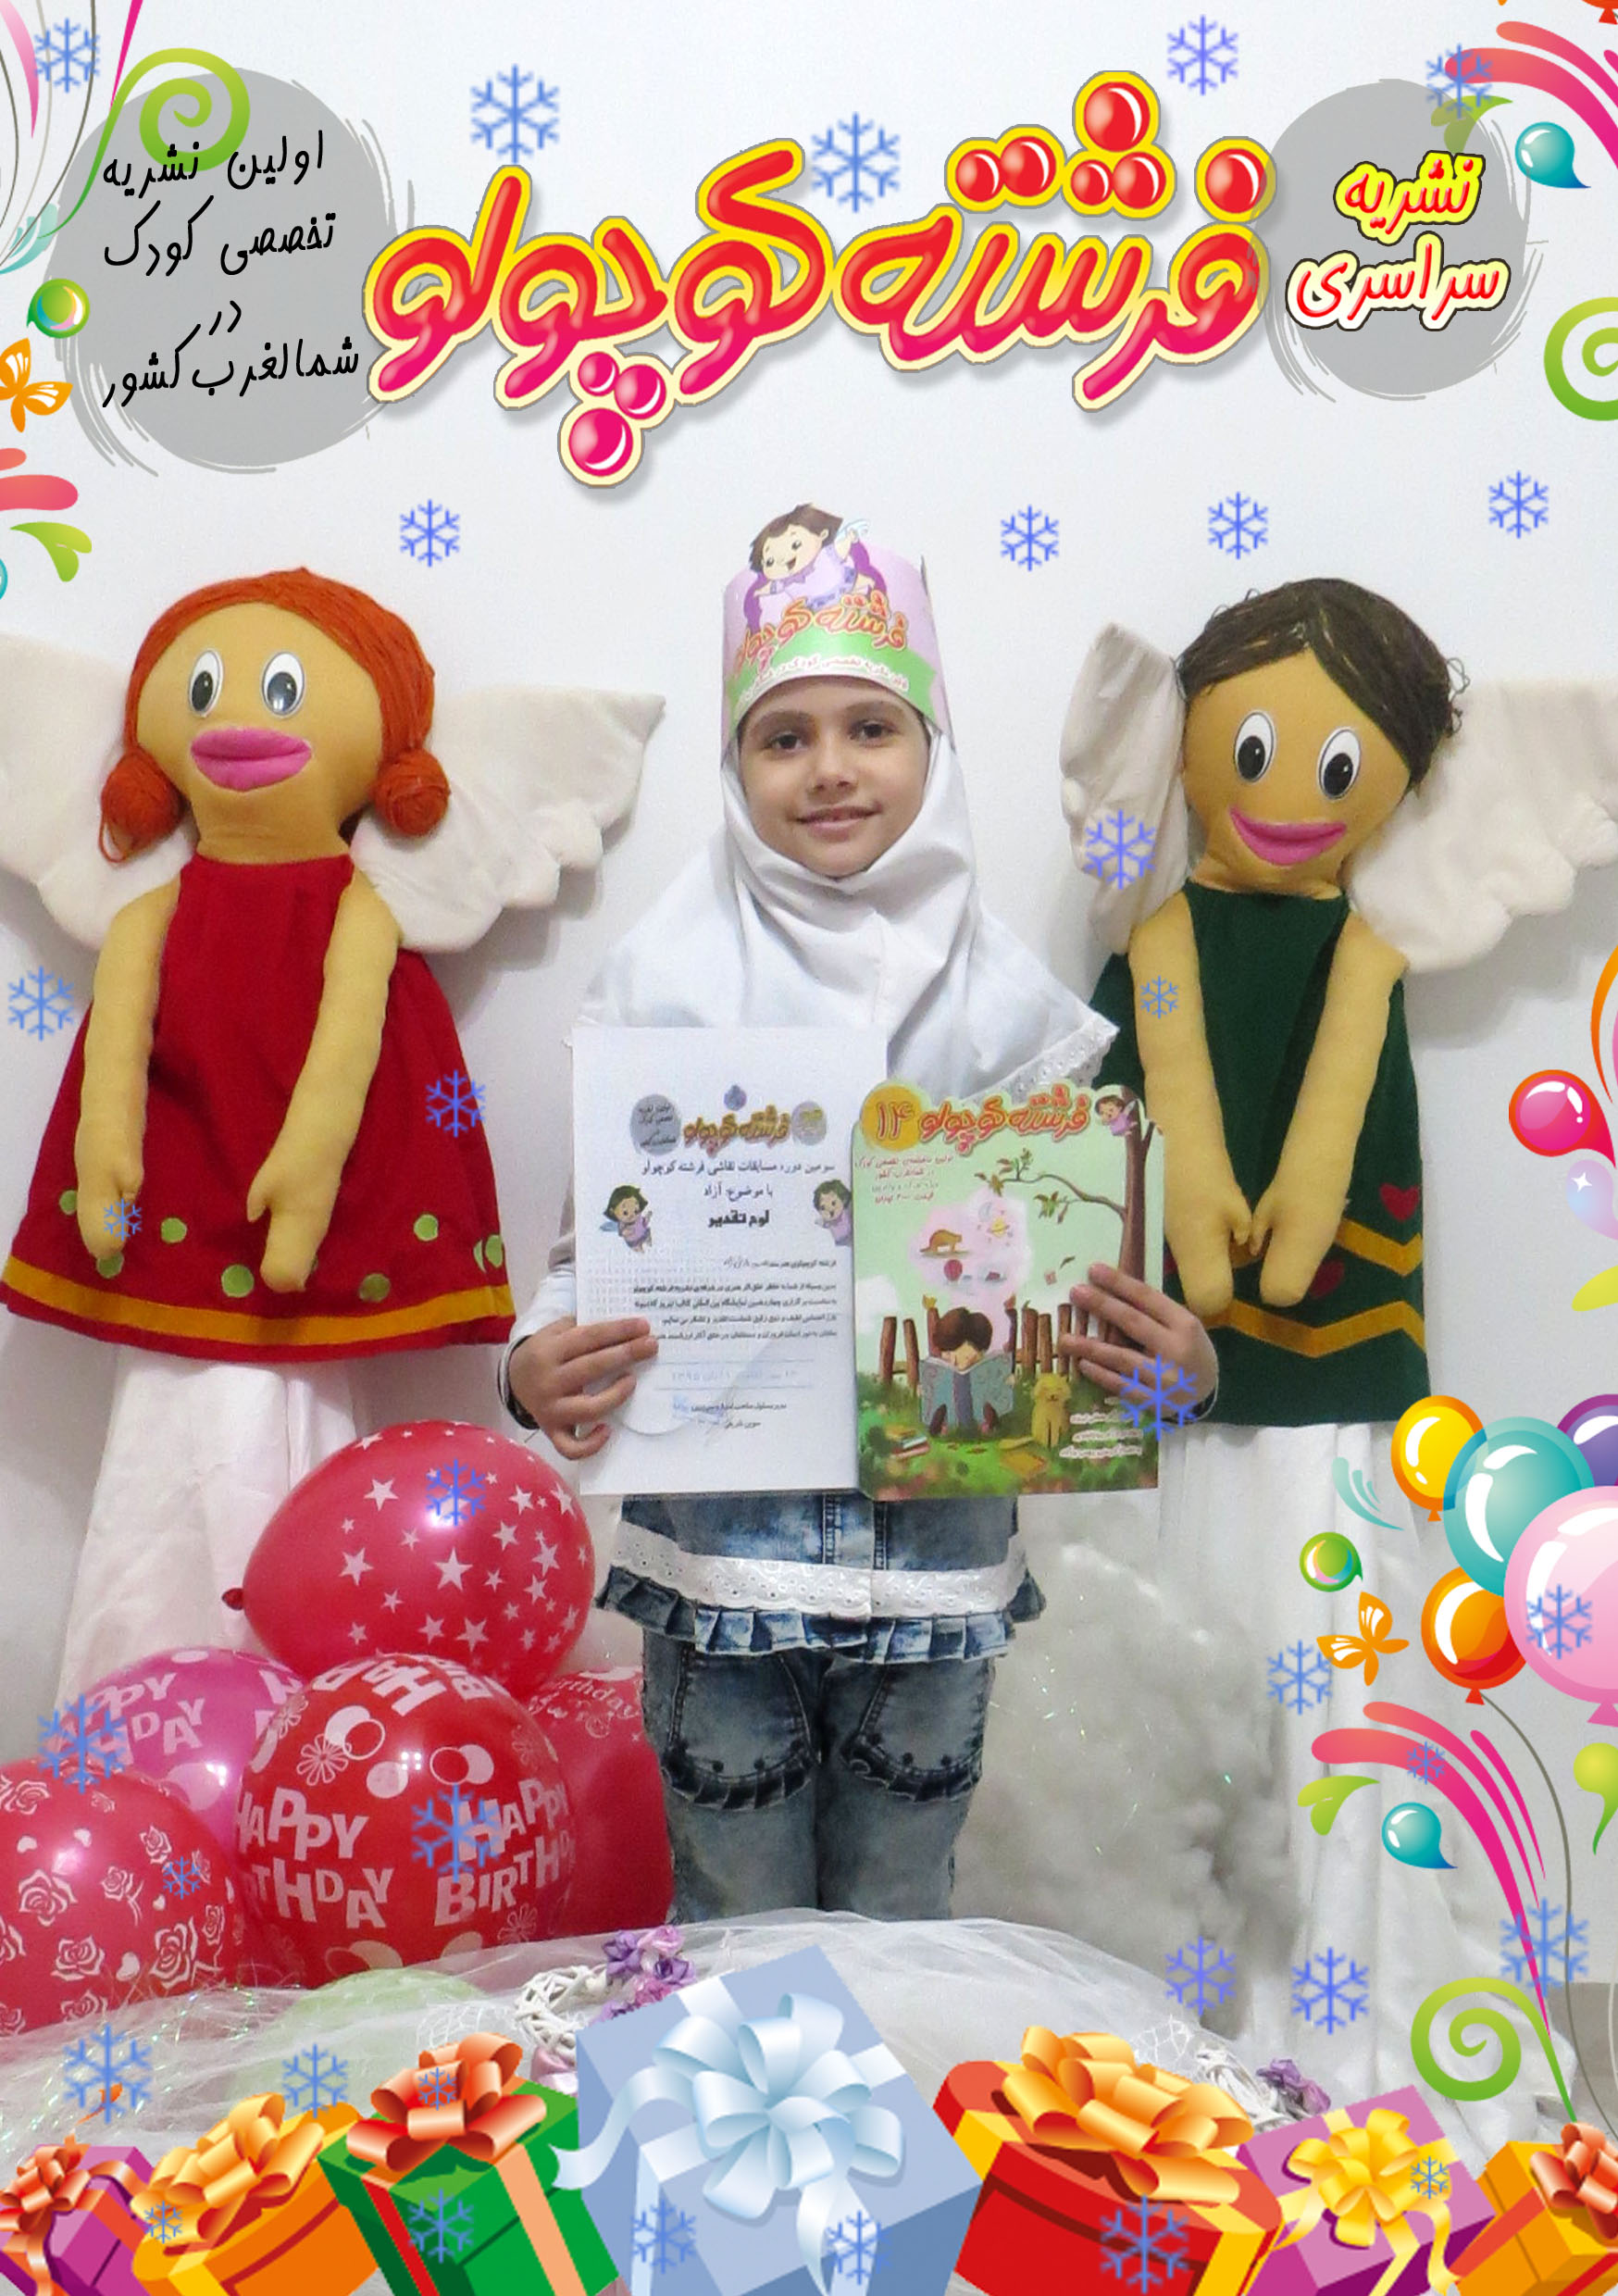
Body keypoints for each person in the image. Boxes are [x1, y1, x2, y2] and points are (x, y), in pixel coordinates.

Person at [504, 518, 1217, 1922]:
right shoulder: (661, 987)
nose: (830, 767)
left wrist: (1170, 1373)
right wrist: (536, 1369)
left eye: (870, 728)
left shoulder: (1012, 1016)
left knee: (903, 1907)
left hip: (936, 1581)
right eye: (784, 738)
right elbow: (592, 1253)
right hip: (723, 1568)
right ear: (736, 769)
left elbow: (1082, 1298)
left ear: (932, 748)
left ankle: (888, 2076)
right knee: (738, 1913)